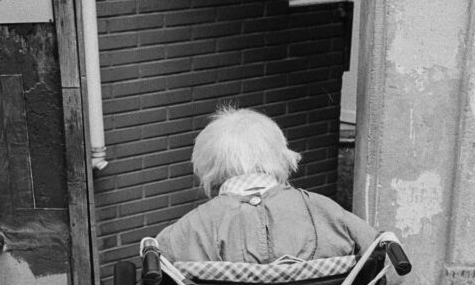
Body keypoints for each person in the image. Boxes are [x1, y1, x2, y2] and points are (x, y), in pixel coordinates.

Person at [154, 105, 379, 265]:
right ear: (282, 157)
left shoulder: (183, 231)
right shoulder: (328, 213)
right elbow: (401, 284)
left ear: (206, 167)